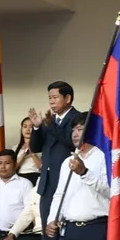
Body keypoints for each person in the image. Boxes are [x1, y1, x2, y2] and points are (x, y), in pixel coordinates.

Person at [29, 81, 83, 228]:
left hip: (68, 181)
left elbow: (73, 143)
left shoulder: (78, 118)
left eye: (55, 97)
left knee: (63, 226)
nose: (51, 101)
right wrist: (37, 127)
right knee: (47, 226)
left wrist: (51, 126)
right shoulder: (50, 120)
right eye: (50, 98)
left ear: (68, 98)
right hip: (47, 183)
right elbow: (35, 147)